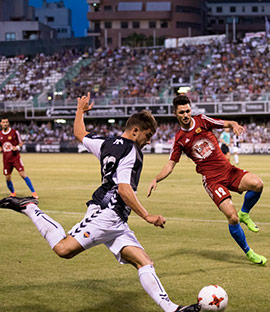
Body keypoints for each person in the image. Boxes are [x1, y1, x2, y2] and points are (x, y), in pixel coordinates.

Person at [0, 93, 200, 312]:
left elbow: (79, 133)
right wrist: (147, 216)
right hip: (107, 212)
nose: (149, 140)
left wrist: (80, 112)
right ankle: (30, 208)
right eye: (148, 134)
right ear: (135, 131)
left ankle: (172, 309)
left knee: (144, 261)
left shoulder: (106, 143)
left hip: (117, 220)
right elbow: (124, 189)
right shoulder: (132, 151)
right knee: (63, 248)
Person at [148, 94, 266, 266]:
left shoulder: (202, 120)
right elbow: (170, 165)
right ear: (176, 114)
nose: (186, 115)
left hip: (229, 170)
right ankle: (249, 252)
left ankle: (245, 213)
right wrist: (156, 179)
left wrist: (234, 125)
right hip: (212, 181)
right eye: (182, 112)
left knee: (258, 184)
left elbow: (226, 123)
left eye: (188, 111)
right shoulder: (180, 139)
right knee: (232, 218)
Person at [0, 117, 38, 199]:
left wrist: (17, 147)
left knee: (23, 174)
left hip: (15, 158)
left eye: (7, 122)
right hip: (6, 160)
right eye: (4, 122)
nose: (5, 123)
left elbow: (21, 143)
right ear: (1, 124)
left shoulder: (14, 132)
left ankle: (34, 192)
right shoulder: (0, 134)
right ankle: (13, 192)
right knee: (7, 178)